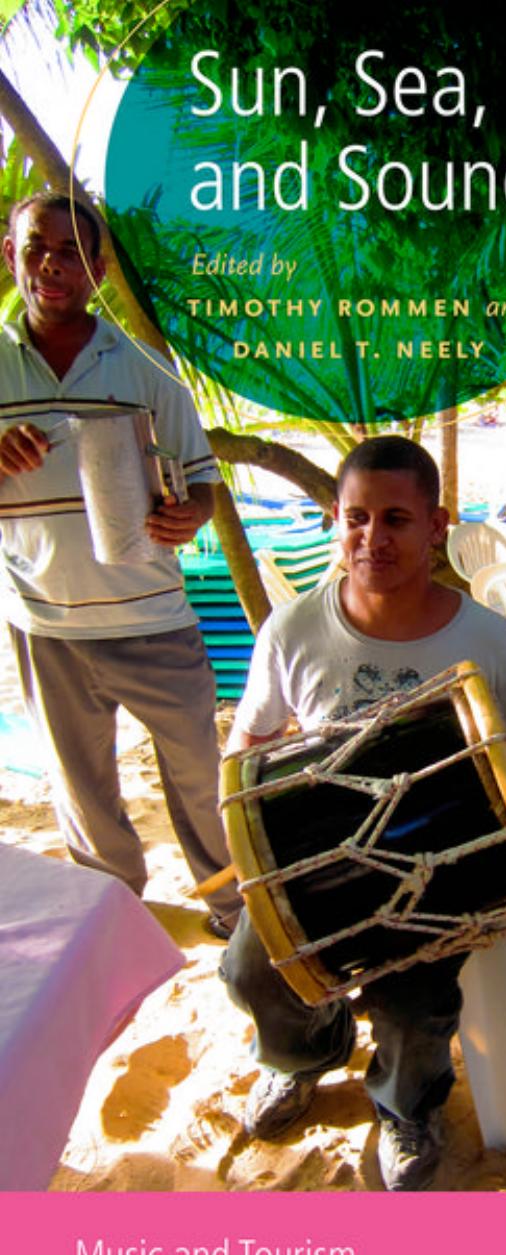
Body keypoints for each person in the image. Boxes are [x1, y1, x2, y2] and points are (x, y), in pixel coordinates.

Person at [221, 434, 506, 1190]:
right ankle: (304, 1054)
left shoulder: (489, 642)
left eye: (395, 519)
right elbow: (248, 746)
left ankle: (404, 1105)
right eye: (356, 518)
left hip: (439, 869)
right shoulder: (293, 630)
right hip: (316, 860)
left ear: (436, 526)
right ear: (335, 521)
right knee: (250, 968)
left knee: (416, 1003)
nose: (373, 539)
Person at [0, 191, 241, 932]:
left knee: (202, 780)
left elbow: (203, 482)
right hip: (46, 625)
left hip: (154, 617)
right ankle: (113, 920)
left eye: (72, 252)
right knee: (83, 794)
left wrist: (189, 513)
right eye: (38, 247)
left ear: (97, 270)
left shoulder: (146, 368)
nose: (53, 264)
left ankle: (232, 906)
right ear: (10, 256)